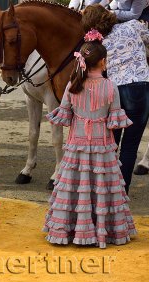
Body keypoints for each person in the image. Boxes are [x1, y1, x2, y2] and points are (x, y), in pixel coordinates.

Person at [43, 31, 137, 248]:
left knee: (75, 188)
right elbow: (114, 120)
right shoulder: (110, 86)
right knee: (103, 188)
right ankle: (104, 230)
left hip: (76, 147)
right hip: (103, 148)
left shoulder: (72, 85)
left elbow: (64, 115)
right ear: (103, 62)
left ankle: (68, 230)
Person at [82, 4, 149, 193]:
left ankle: (105, 190)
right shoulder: (134, 26)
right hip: (140, 88)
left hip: (114, 92)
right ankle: (122, 192)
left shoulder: (97, 44)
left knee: (111, 146)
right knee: (130, 147)